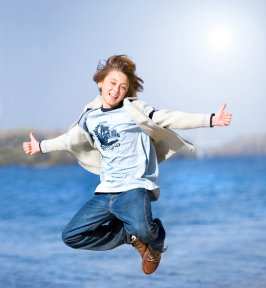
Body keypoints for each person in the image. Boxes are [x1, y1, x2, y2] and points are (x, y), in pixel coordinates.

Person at [23, 54, 232, 275]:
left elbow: (169, 117)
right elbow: (69, 139)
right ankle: (126, 235)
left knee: (146, 231)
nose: (116, 90)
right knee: (72, 236)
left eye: (123, 86)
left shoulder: (134, 110)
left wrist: (210, 119)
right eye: (112, 83)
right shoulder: (89, 118)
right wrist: (41, 147)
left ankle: (155, 241)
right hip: (106, 192)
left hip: (134, 188)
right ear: (100, 82)